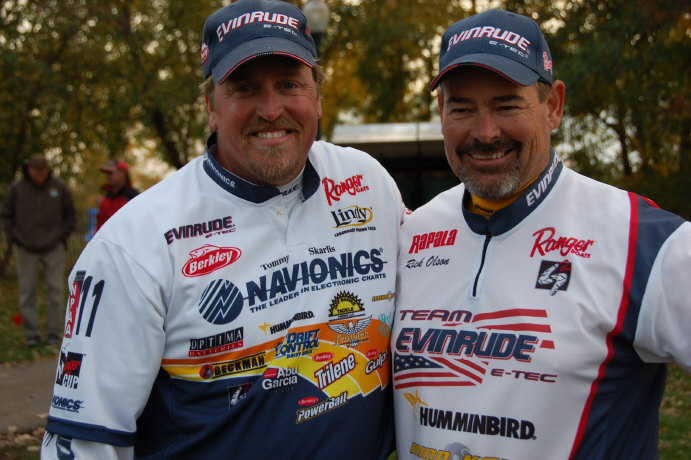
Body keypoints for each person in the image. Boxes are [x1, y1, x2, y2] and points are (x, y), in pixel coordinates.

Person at [42, 0, 405, 458]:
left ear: (317, 96)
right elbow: (85, 442)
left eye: (289, 84)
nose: (270, 110)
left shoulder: (368, 184)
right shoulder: (133, 243)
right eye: (245, 88)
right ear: (211, 107)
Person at [391, 9, 690, 459]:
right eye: (462, 108)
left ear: (553, 107)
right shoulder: (412, 233)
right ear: (441, 113)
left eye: (507, 105)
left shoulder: (643, 241)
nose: (485, 132)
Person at [0, 153, 76, 347]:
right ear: (29, 170)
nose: (39, 176)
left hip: (54, 246)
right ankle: (31, 334)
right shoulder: (17, 189)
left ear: (48, 170)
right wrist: (14, 238)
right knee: (27, 291)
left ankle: (54, 333)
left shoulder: (59, 187)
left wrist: (62, 236)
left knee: (56, 291)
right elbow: (6, 215)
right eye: (36, 171)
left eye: (43, 171)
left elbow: (70, 214)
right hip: (26, 247)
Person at [96, 159, 139, 230]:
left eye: (111, 173)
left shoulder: (133, 196)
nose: (108, 176)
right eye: (107, 173)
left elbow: (122, 218)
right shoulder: (108, 193)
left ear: (122, 173)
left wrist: (104, 203)